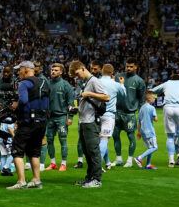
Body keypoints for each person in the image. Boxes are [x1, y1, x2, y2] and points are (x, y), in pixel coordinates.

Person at [6, 61, 48, 190]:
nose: (18, 73)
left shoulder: (24, 83)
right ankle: (36, 180)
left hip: (28, 121)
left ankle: (21, 181)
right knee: (34, 151)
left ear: (26, 70)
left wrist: (15, 107)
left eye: (19, 70)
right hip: (42, 121)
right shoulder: (44, 82)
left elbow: (23, 101)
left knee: (17, 150)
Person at [69, 60, 110, 188]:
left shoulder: (94, 81)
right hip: (84, 121)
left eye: (77, 74)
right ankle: (89, 177)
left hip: (91, 121)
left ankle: (97, 179)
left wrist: (89, 94)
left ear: (82, 68)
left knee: (93, 151)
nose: (77, 77)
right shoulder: (87, 82)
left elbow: (106, 97)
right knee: (87, 151)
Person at [151, 71, 179, 168]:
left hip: (167, 108)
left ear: (171, 79)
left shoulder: (167, 83)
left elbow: (152, 91)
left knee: (170, 136)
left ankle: (171, 161)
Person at [41, 63, 73, 172]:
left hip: (61, 117)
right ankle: (53, 163)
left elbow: (72, 102)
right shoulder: (47, 84)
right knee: (49, 140)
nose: (53, 71)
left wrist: (71, 116)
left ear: (61, 72)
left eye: (55, 70)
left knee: (62, 140)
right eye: (52, 69)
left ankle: (63, 163)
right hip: (49, 118)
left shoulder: (66, 85)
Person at [114, 59, 145, 166]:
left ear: (136, 67)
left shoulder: (139, 81)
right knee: (115, 135)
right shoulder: (118, 77)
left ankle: (129, 160)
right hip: (117, 112)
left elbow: (141, 99)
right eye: (127, 66)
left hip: (130, 113)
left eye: (131, 66)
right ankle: (119, 158)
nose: (128, 68)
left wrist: (141, 113)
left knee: (131, 136)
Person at [99, 64, 124, 170]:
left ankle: (108, 162)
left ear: (102, 71)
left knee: (101, 139)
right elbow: (124, 94)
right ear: (112, 73)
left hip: (96, 114)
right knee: (105, 139)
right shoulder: (115, 84)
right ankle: (97, 165)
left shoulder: (96, 81)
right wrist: (121, 84)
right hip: (109, 115)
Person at [136, 92, 159, 169]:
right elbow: (156, 119)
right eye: (153, 98)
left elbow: (139, 121)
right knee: (154, 147)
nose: (154, 99)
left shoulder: (141, 108)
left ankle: (148, 164)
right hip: (150, 130)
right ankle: (139, 158)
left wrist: (138, 132)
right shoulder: (152, 108)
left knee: (150, 147)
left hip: (143, 131)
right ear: (149, 99)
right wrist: (154, 116)